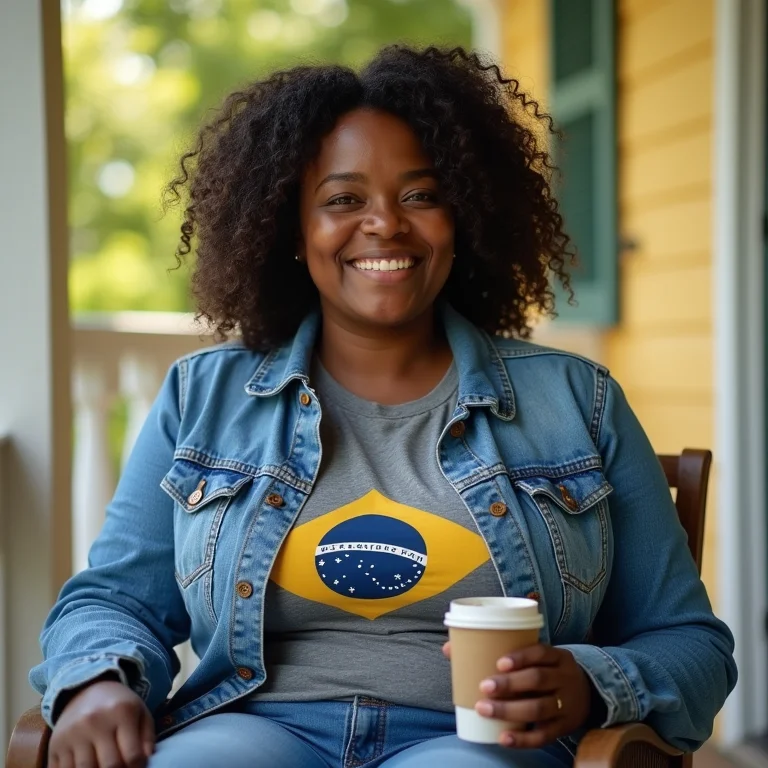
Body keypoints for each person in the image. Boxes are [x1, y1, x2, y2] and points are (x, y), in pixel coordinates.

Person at [31, 45, 736, 768]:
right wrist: (97, 681)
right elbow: (115, 601)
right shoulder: (202, 398)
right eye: (343, 200)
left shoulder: (576, 404)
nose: (385, 225)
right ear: (291, 232)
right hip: (254, 728)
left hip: (471, 744)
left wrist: (591, 684)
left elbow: (691, 643)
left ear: (462, 218)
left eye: (421, 196)